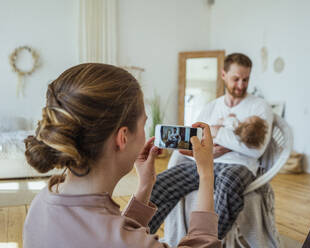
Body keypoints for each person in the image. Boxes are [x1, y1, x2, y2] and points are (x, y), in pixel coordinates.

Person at [23, 63, 221, 248]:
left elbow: (111, 232)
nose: (145, 133)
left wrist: (144, 186)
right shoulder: (128, 242)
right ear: (123, 137)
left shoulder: (40, 204)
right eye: (143, 124)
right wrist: (206, 174)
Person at [149, 53, 274, 239]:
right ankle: (140, 239)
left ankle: (205, 242)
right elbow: (197, 142)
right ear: (223, 74)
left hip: (238, 166)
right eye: (236, 79)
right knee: (159, 184)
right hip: (204, 163)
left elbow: (256, 149)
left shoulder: (259, 107)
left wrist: (217, 132)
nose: (241, 85)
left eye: (246, 79)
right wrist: (212, 150)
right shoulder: (210, 108)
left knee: (229, 185)